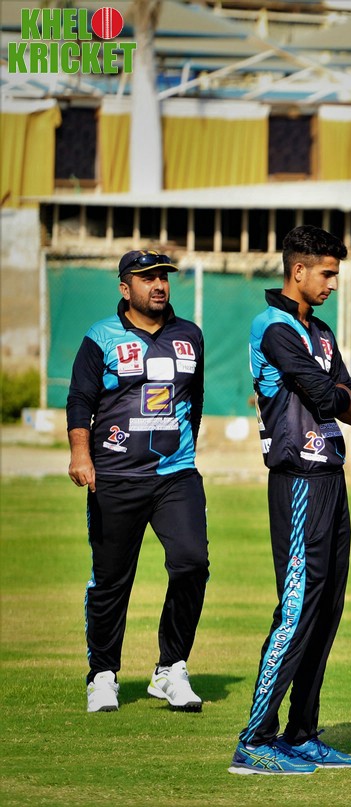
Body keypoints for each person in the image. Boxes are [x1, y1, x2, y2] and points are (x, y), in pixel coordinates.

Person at [230, 225, 351, 775]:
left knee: (326, 610)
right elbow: (324, 394)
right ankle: (254, 740)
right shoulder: (273, 327)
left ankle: (302, 733)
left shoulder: (323, 331)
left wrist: (337, 393)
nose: (333, 284)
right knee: (297, 609)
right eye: (327, 274)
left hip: (331, 477)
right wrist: (337, 393)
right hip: (297, 481)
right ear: (298, 270)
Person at [67, 249, 208, 714]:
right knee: (111, 580)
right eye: (147, 278)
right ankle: (103, 675)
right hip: (114, 476)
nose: (159, 285)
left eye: (163, 276)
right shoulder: (100, 337)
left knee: (191, 563)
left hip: (175, 475)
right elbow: (80, 400)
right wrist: (81, 454)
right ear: (125, 288)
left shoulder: (190, 335)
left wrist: (182, 451)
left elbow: (195, 400)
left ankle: (171, 668)